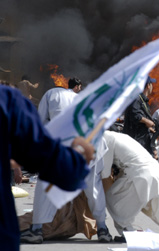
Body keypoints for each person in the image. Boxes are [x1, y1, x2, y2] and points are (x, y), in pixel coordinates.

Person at [0, 85, 93, 251]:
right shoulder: (8, 100)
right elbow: (36, 151)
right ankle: (37, 229)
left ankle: (37, 228)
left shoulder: (45, 96)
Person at [22, 77, 112, 244]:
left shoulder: (52, 93)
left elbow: (40, 122)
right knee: (93, 188)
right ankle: (103, 229)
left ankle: (36, 231)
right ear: (77, 88)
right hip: (93, 146)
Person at [101, 130, 159, 242]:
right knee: (150, 204)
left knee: (113, 198)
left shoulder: (105, 139)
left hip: (140, 173)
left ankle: (128, 231)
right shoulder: (119, 136)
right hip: (152, 170)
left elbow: (104, 172)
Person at [123, 76, 157, 156]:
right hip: (135, 140)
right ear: (148, 85)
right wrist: (147, 121)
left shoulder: (143, 100)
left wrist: (151, 128)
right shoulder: (136, 98)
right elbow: (135, 115)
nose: (152, 86)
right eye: (151, 84)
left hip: (142, 140)